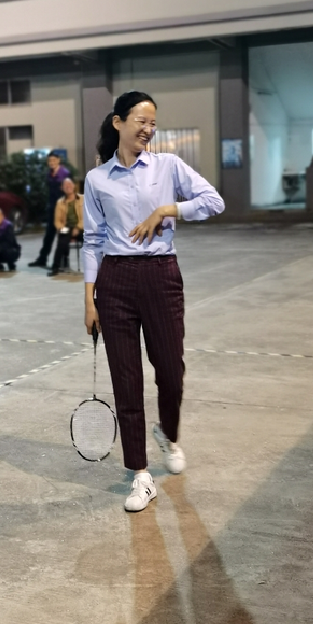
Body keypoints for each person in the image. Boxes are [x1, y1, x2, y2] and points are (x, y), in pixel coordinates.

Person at [82, 90, 225, 513]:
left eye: (152, 123)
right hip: (115, 281)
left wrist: (167, 209)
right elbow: (91, 241)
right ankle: (140, 475)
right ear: (118, 122)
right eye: (141, 121)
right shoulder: (97, 179)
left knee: (171, 371)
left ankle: (167, 433)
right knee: (126, 381)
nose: (148, 130)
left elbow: (213, 202)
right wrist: (89, 300)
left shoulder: (168, 166)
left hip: (162, 277)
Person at [29, 151, 73, 268]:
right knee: (49, 235)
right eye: (50, 161)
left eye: (54, 160)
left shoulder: (65, 173)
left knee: (63, 235)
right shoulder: (49, 174)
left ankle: (64, 262)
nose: (52, 162)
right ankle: (42, 259)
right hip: (53, 208)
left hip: (63, 209)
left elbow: (70, 192)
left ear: (58, 160)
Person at [47, 178, 83, 277]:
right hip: (67, 228)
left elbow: (87, 217)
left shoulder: (83, 199)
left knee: (92, 241)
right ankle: (55, 267)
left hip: (82, 228)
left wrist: (78, 228)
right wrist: (63, 229)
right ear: (62, 188)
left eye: (70, 184)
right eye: (65, 185)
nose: (68, 187)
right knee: (62, 240)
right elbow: (57, 221)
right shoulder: (60, 202)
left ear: (73, 186)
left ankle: (98, 267)